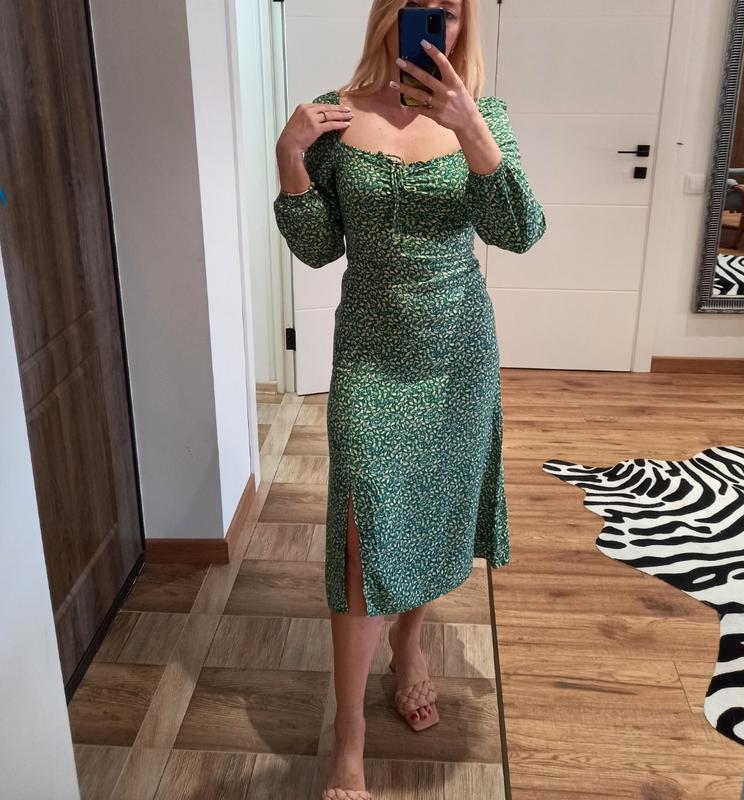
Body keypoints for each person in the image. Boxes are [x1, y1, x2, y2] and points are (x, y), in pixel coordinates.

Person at [273, 2, 546, 797]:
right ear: (389, 18)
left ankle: (410, 645)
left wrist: (470, 128)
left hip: (457, 353)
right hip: (371, 354)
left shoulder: (484, 116)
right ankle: (349, 735)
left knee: (431, 510)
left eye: (449, 12)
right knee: (365, 533)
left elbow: (521, 230)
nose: (435, 26)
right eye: (418, 8)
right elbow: (318, 247)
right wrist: (290, 156)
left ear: (463, 25)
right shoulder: (333, 116)